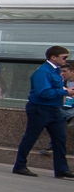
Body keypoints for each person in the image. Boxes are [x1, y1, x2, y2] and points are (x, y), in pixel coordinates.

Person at [11, 45, 70, 178]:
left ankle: (61, 169)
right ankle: (20, 165)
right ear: (53, 57)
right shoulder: (43, 71)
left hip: (54, 109)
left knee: (60, 138)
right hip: (40, 108)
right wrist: (65, 91)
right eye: (64, 57)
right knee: (31, 137)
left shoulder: (56, 70)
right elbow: (43, 92)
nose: (66, 60)